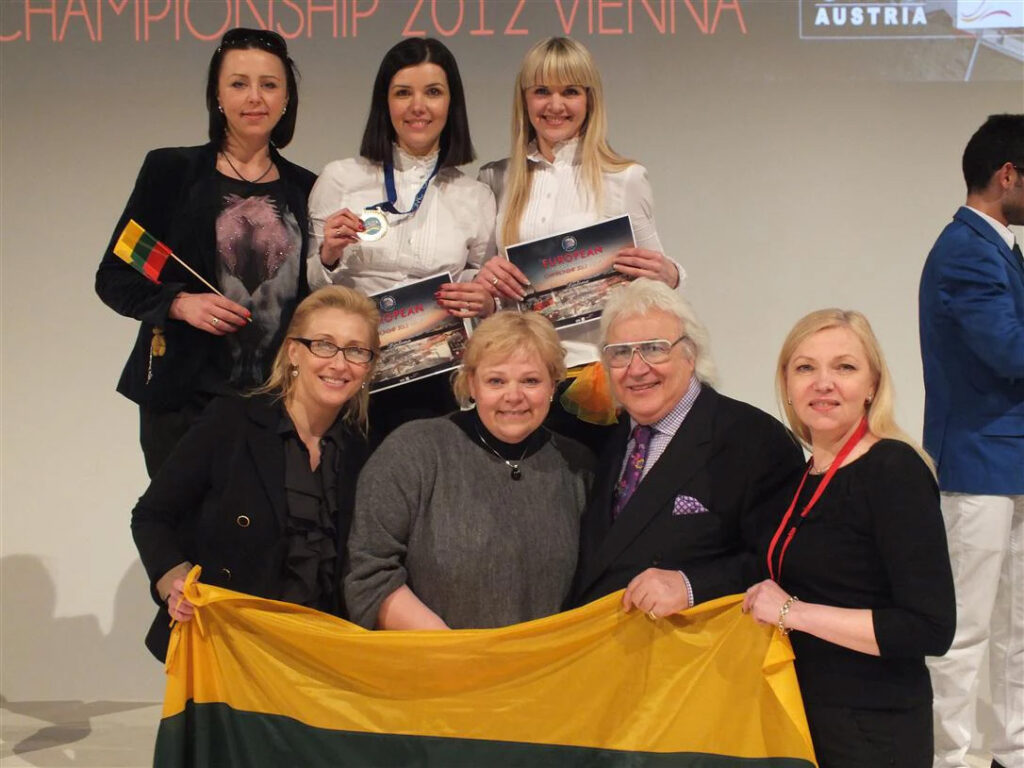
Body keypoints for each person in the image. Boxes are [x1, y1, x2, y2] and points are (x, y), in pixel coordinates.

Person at [96, 28, 317, 477]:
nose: (254, 97)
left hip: (277, 405)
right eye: (238, 83)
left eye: (269, 84)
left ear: (286, 98)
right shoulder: (171, 172)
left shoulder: (307, 189)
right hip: (184, 402)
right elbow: (115, 276)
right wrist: (179, 303)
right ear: (217, 95)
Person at [743, 309, 956, 768]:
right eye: (806, 368)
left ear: (872, 385)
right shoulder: (798, 478)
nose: (823, 383)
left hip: (873, 732)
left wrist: (792, 612)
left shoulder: (894, 470)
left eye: (844, 367)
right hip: (804, 719)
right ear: (787, 384)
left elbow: (929, 627)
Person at [131, 286, 379, 660]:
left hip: (320, 657)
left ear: (369, 366)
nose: (340, 363)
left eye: (356, 350)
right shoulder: (232, 420)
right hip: (227, 647)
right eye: (324, 345)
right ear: (293, 351)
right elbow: (151, 516)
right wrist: (175, 581)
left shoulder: (364, 451)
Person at [476, 37, 684, 450]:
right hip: (520, 375)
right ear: (524, 99)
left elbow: (658, 276)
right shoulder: (495, 178)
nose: (555, 105)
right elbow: (482, 283)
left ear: (590, 100)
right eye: (542, 91)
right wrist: (484, 277)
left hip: (595, 379)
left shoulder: (624, 178)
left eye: (570, 91)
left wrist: (670, 273)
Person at [345, 311, 594, 630]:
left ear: (552, 385)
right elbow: (369, 574)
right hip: (437, 657)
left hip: (548, 659)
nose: (513, 396)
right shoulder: (412, 451)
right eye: (496, 381)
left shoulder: (578, 466)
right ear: (472, 383)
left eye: (530, 380)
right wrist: (453, 651)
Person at [568, 279, 804, 614]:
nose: (637, 368)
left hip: (693, 643)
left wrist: (692, 586)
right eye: (620, 353)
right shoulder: (602, 441)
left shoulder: (756, 440)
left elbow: (786, 561)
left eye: (654, 348)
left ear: (690, 354)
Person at [307, 37, 495, 435]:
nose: (418, 106)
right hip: (349, 376)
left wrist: (485, 300)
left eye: (433, 92)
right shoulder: (340, 178)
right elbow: (310, 289)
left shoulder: (475, 195)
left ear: (452, 104)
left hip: (437, 381)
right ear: (385, 102)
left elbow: (478, 284)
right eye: (403, 93)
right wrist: (328, 255)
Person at [919, 114, 1024, 768]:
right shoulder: (966, 249)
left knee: (1015, 631)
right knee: (964, 633)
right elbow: (1008, 351)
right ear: (1008, 174)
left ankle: (1013, 752)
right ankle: (950, 760)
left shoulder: (996, 248)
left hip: (1009, 464)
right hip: (980, 464)